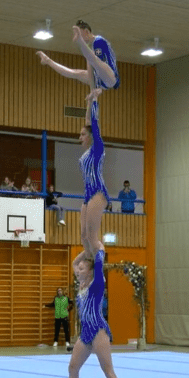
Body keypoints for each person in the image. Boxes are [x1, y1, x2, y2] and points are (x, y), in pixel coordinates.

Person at [53, 250, 124, 378]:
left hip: (98, 330)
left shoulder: (97, 284)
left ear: (91, 271)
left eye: (82, 269)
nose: (78, 271)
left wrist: (95, 247)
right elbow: (74, 263)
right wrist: (85, 251)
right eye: (79, 269)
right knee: (72, 367)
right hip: (85, 332)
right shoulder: (81, 284)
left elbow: (99, 258)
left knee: (108, 370)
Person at [36, 19, 120, 92]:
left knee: (94, 60)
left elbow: (97, 62)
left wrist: (94, 89)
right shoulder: (91, 49)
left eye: (80, 34)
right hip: (100, 78)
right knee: (74, 73)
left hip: (111, 78)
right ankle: (48, 60)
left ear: (87, 32)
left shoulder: (99, 41)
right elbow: (90, 68)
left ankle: (80, 42)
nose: (75, 35)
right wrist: (92, 90)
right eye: (77, 35)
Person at [79, 88, 108, 255]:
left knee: (92, 236)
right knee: (84, 236)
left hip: (97, 191)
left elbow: (94, 125)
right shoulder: (86, 154)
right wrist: (89, 102)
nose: (80, 137)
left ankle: (99, 264)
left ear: (90, 136)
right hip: (87, 194)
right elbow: (88, 122)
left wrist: (95, 100)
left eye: (83, 135)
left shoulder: (97, 149)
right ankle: (90, 264)